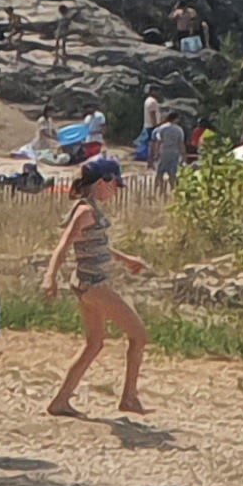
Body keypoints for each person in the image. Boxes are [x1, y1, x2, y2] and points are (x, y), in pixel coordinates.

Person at [39, 160, 154, 416]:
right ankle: (129, 398)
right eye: (115, 185)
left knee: (94, 343)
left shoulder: (88, 210)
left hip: (84, 285)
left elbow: (96, 244)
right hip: (95, 286)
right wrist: (50, 277)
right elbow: (63, 245)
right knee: (139, 335)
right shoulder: (86, 211)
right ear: (103, 182)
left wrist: (124, 259)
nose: (116, 191)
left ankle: (60, 401)